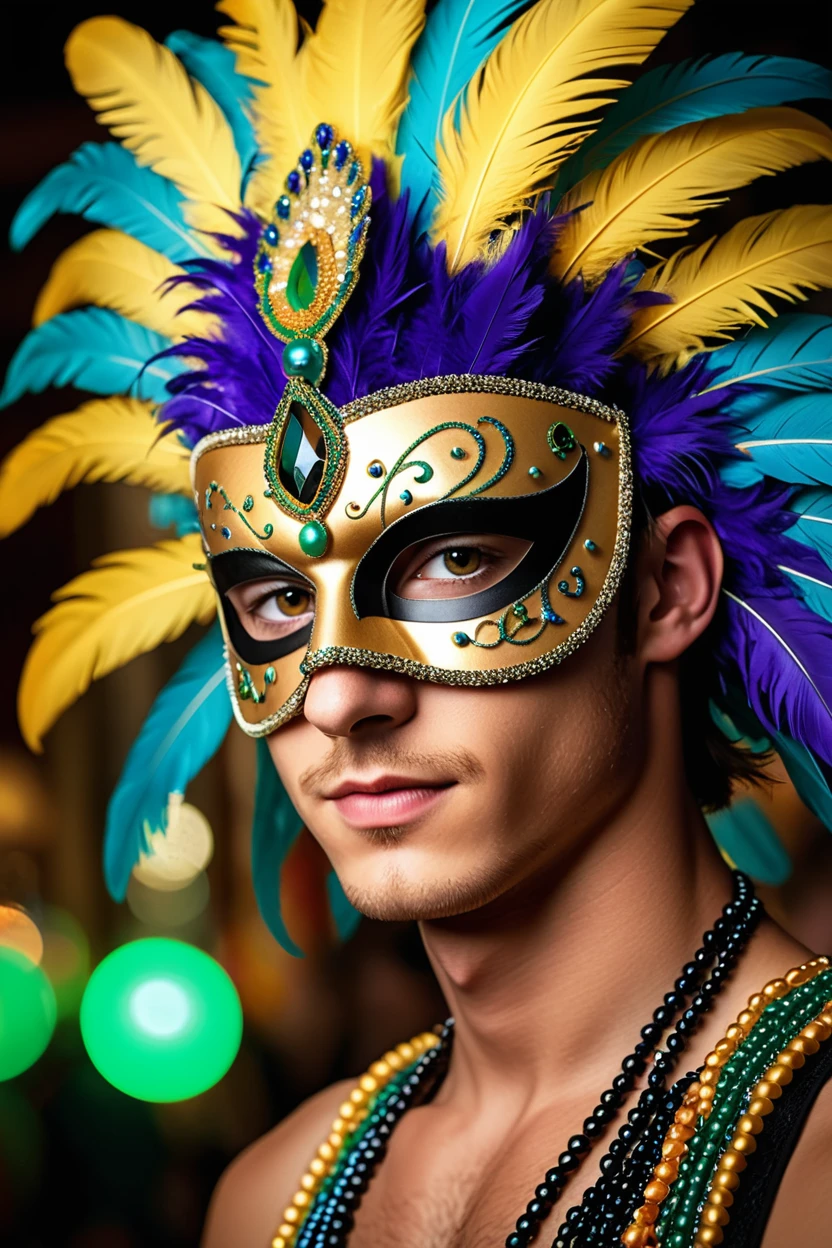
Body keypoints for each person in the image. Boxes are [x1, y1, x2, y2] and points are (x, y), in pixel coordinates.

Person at [3, 2, 832, 1246]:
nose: (340, 695)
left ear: (663, 591)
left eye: (449, 557)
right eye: (279, 597)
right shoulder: (266, 1202)